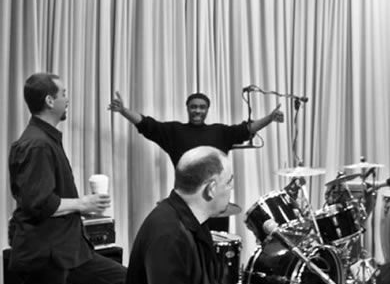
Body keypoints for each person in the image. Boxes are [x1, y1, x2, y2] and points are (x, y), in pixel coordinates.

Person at [8, 72, 126, 284]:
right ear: (50, 101)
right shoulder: (37, 144)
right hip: (44, 254)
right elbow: (40, 203)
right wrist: (83, 203)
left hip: (66, 249)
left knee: (123, 280)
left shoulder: (44, 139)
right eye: (63, 94)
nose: (67, 99)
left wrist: (81, 206)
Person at [121, 146, 255, 284]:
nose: (231, 188)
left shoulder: (192, 221)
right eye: (229, 182)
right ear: (211, 188)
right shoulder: (168, 234)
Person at [108, 91, 283, 231]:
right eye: (193, 107)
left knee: (217, 251)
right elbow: (148, 125)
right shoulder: (175, 132)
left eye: (202, 107)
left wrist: (270, 118)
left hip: (216, 204)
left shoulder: (220, 132)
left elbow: (246, 129)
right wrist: (124, 110)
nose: (197, 111)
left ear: (207, 110)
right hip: (186, 204)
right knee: (187, 249)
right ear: (187, 108)